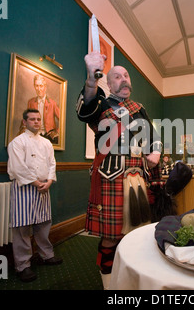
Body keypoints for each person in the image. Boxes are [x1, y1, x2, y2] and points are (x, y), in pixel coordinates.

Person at [76, 51, 162, 288]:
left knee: (138, 231)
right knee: (111, 236)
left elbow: (152, 136)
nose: (124, 79)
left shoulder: (138, 107)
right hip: (111, 177)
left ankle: (134, 277)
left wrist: (155, 151)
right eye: (117, 76)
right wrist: (91, 80)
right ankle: (110, 285)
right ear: (109, 83)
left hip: (138, 176)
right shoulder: (100, 103)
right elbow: (84, 111)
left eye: (126, 75)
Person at [7, 109, 62, 282]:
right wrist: (37, 183)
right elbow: (17, 167)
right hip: (25, 187)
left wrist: (49, 182)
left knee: (44, 223)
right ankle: (23, 266)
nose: (37, 122)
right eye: (32, 119)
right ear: (25, 122)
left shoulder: (46, 143)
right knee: (22, 227)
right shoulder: (17, 142)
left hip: (44, 187)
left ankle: (46, 255)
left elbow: (52, 163)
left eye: (39, 119)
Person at [26, 75, 60, 144]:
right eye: (36, 86)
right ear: (34, 86)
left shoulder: (52, 103)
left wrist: (57, 132)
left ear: (45, 87)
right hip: (34, 135)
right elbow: (26, 120)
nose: (39, 89)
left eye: (41, 86)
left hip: (48, 136)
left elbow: (63, 121)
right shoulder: (31, 102)